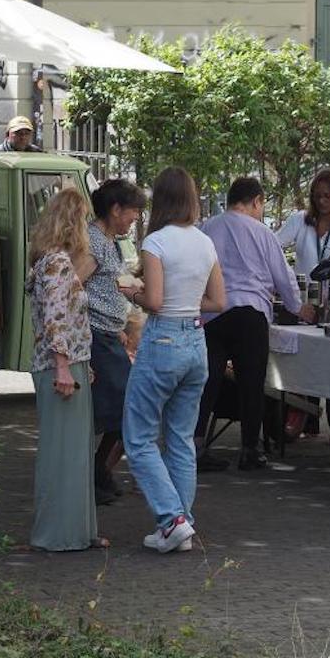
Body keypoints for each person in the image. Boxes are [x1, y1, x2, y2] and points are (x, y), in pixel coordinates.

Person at [123, 166, 226, 553]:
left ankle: (171, 519)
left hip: (162, 340)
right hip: (196, 341)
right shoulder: (205, 243)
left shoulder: (156, 243)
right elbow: (219, 301)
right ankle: (183, 524)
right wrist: (186, 303)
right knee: (181, 438)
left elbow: (153, 302)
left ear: (160, 201)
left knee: (139, 437)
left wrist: (131, 291)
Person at [195, 177, 316, 471]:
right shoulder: (263, 233)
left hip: (213, 312)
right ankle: (250, 448)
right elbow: (283, 277)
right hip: (250, 314)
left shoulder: (206, 229)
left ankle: (195, 446)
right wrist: (298, 308)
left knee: (207, 381)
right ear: (256, 201)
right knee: (251, 382)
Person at [26, 188, 105, 552]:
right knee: (65, 455)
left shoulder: (47, 260)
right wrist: (64, 366)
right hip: (61, 365)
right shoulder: (57, 263)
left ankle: (75, 531)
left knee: (70, 453)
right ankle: (61, 535)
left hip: (68, 362)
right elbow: (57, 318)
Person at [278, 167, 330, 443]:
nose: (323, 201)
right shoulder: (299, 221)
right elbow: (271, 245)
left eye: (328, 196)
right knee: (306, 358)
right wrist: (286, 279)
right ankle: (308, 420)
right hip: (305, 300)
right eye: (317, 196)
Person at [85, 179, 146, 505]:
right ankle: (94, 474)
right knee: (124, 410)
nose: (135, 216)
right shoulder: (94, 241)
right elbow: (72, 285)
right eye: (133, 210)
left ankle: (100, 471)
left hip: (109, 333)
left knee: (125, 410)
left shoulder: (108, 241)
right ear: (116, 209)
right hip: (97, 337)